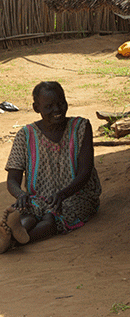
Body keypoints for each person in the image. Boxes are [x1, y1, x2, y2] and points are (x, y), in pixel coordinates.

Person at [2, 81, 101, 253]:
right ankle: (15, 232)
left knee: (50, 218)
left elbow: (85, 172)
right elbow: (12, 179)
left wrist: (63, 194)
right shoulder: (25, 135)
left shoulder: (81, 127)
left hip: (76, 195)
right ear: (36, 108)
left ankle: (11, 240)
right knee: (29, 213)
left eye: (61, 103)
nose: (57, 110)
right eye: (49, 106)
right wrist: (21, 195)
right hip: (38, 197)